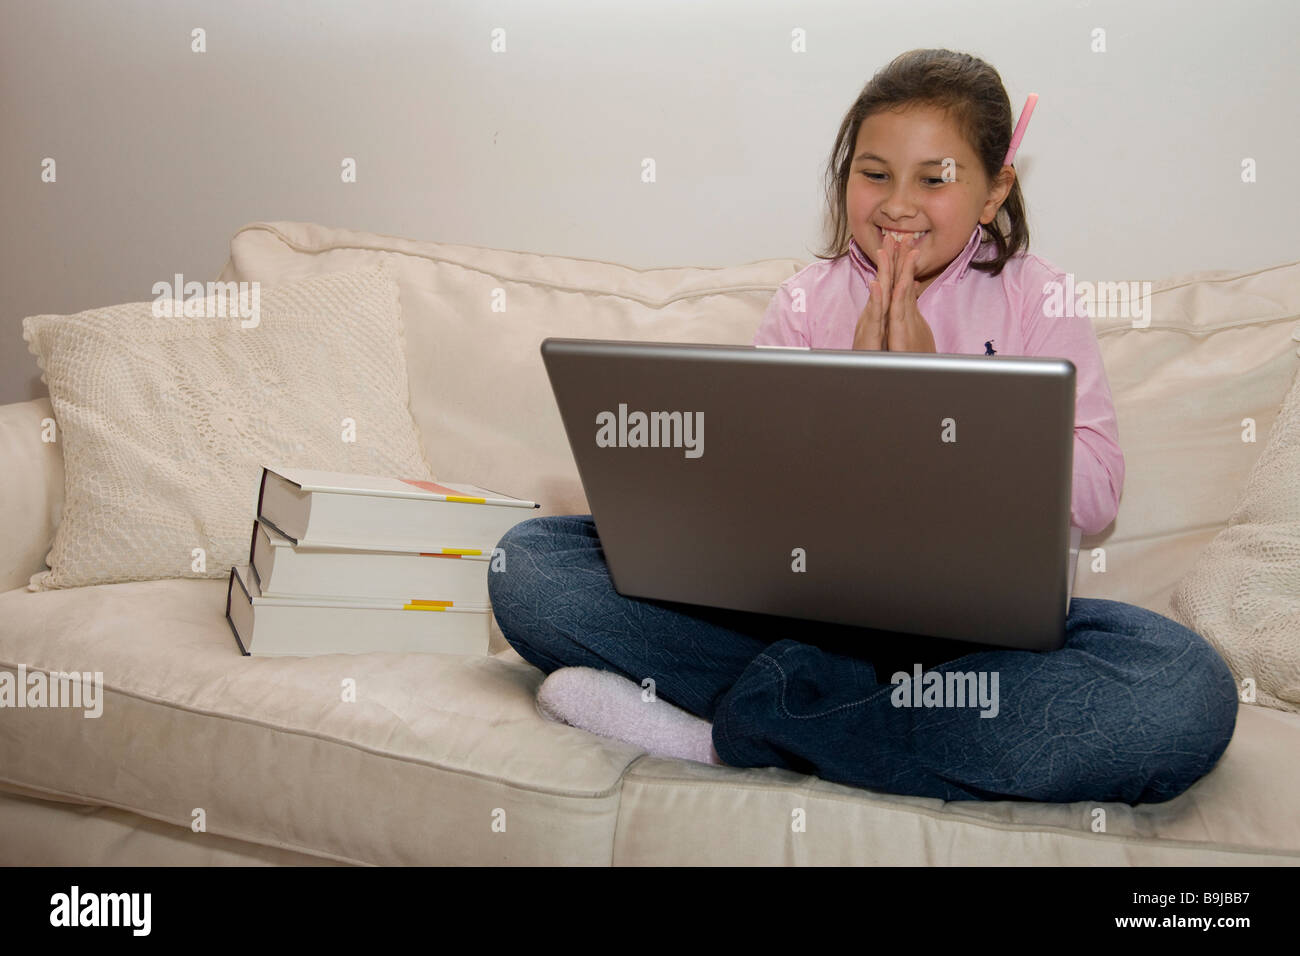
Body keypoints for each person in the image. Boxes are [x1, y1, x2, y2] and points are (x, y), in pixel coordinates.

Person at [487, 49, 1238, 804]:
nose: (897, 205)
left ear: (993, 190)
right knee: (533, 565)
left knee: (1180, 689)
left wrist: (940, 397)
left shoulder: (1036, 299)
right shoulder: (807, 303)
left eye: (934, 178)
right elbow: (753, 488)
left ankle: (730, 732)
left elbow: (1099, 490)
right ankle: (835, 722)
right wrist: (843, 412)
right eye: (873, 173)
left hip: (977, 655)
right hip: (805, 620)